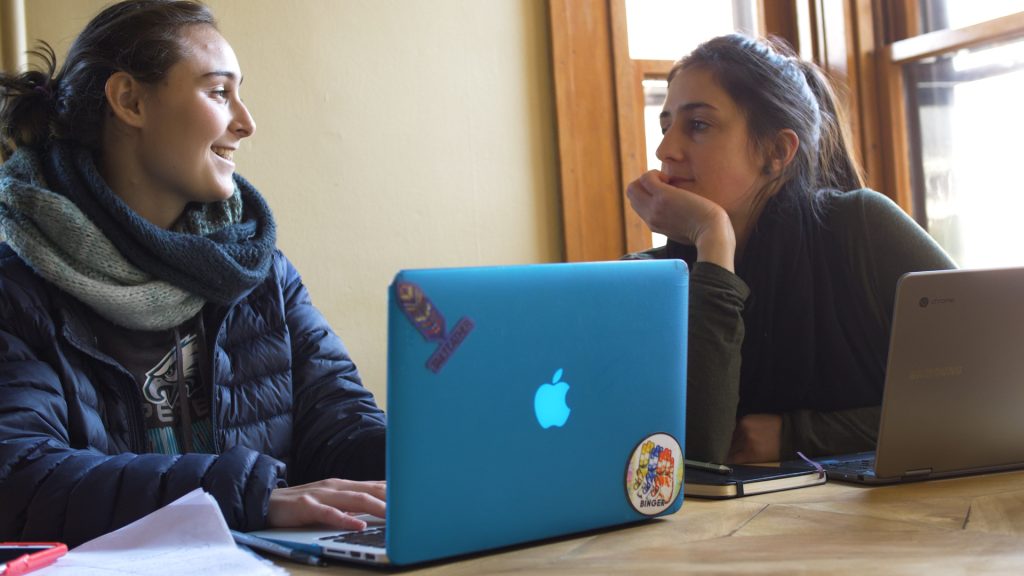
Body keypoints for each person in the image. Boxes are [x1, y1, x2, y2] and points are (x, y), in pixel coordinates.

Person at [0, 0, 386, 546]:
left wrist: (436, 457)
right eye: (219, 92)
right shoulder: (16, 292)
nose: (246, 123)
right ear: (130, 101)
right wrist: (245, 497)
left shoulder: (258, 272)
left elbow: (340, 426)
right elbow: (22, 479)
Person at [625, 34, 955, 465]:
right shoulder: (649, 281)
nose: (664, 149)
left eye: (699, 125)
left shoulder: (861, 227)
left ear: (777, 151)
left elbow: (994, 393)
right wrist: (713, 239)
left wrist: (800, 436)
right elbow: (696, 460)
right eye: (665, 126)